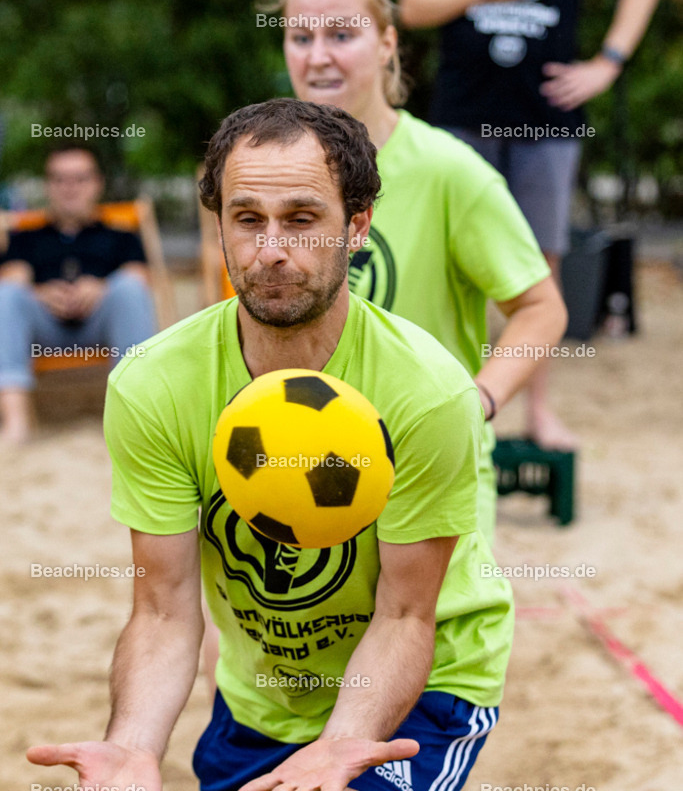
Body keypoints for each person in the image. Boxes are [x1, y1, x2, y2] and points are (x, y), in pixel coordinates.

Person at [28, 99, 514, 791]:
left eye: (302, 219)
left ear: (356, 227)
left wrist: (341, 742)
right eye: (247, 219)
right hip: (263, 689)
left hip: (427, 683)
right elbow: (164, 607)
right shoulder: (153, 384)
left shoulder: (429, 393)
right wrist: (133, 746)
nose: (272, 250)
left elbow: (406, 614)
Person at [398, 0, 661, 448]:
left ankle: (536, 411)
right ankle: (444, 403)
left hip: (545, 119)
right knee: (450, 260)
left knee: (534, 270)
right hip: (461, 114)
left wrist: (606, 64)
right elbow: (412, 5)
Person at [278, 0, 567, 541]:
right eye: (300, 36)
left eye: (341, 34)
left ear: (387, 43)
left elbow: (543, 308)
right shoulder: (270, 170)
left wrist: (478, 401)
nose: (318, 55)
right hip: (298, 467)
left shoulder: (447, 170)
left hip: (426, 474)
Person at [0, 144, 156, 445]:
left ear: (97, 183)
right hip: (44, 328)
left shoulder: (121, 236)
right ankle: (15, 419)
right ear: (48, 185)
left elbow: (139, 276)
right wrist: (40, 292)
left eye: (79, 179)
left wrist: (101, 287)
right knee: (7, 294)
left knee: (129, 289)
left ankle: (135, 416)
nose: (69, 188)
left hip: (101, 323)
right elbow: (13, 278)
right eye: (60, 179)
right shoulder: (26, 237)